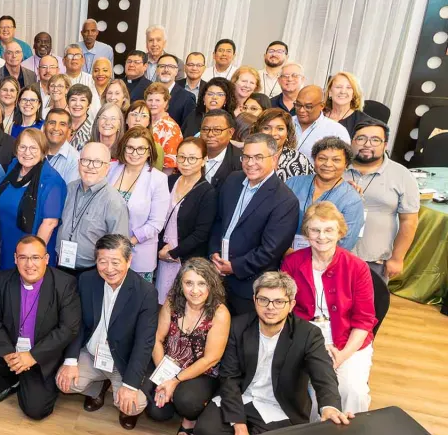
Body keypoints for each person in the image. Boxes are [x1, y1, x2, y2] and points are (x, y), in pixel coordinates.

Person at [196, 271, 351, 435]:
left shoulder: (308, 334)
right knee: (206, 433)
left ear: (291, 304)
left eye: (279, 302)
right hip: (242, 396)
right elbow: (229, 377)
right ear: (254, 300)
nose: (270, 307)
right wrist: (239, 426)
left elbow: (323, 374)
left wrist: (329, 407)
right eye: (263, 300)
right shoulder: (238, 326)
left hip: (277, 404)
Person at [281, 202, 377, 415]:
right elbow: (285, 312)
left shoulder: (357, 267)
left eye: (328, 230)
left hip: (349, 342)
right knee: (315, 394)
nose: (321, 236)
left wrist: (342, 356)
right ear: (306, 233)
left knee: (353, 392)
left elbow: (364, 321)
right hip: (305, 338)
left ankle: (352, 434)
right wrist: (314, 348)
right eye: (315, 230)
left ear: (340, 233)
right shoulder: (292, 263)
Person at [56, 234, 158, 427]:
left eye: (115, 262)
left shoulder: (145, 292)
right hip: (92, 353)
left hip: (122, 361)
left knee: (133, 405)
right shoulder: (86, 280)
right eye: (102, 262)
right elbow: (77, 324)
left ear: (129, 260)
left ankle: (117, 386)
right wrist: (70, 361)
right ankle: (98, 387)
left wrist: (130, 385)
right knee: (64, 382)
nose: (109, 269)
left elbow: (144, 343)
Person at [0, 236, 81, 419]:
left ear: (46, 259)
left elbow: (68, 329)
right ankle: (10, 383)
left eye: (35, 257)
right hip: (12, 351)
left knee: (36, 410)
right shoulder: (3, 279)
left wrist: (32, 356)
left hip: (41, 356)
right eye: (23, 257)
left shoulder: (65, 283)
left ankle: (28, 382)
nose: (29, 264)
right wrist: (8, 353)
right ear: (15, 259)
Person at [208, 134, 299, 316]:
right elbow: (218, 220)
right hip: (217, 278)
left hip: (249, 287)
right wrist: (213, 252)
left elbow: (270, 250)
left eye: (258, 157)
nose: (250, 163)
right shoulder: (233, 180)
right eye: (246, 157)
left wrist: (235, 267)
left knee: (242, 332)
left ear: (274, 159)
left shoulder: (285, 200)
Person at [147, 258, 231, 435]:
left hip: (201, 372)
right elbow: (157, 339)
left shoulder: (220, 313)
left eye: (201, 283)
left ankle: (190, 418)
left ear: (211, 284)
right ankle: (174, 397)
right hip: (169, 364)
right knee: (157, 412)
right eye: (189, 283)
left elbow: (211, 359)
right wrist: (164, 377)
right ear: (180, 284)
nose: (195, 290)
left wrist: (175, 381)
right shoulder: (172, 302)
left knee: (187, 402)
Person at [347, 118, 420, 281]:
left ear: (385, 145)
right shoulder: (336, 168)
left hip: (375, 260)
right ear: (352, 141)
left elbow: (409, 221)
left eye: (375, 140)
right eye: (361, 138)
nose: (367, 144)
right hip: (332, 254)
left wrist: (397, 259)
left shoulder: (402, 175)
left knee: (372, 298)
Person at [0, 129, 67, 269]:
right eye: (23, 147)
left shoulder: (52, 180)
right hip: (2, 243)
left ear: (43, 150)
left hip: (28, 251)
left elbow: (49, 223)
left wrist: (32, 257)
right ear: (16, 149)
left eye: (33, 148)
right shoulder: (13, 167)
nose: (27, 152)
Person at [156, 137, 217, 301]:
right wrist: (161, 248)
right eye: (181, 157)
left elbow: (201, 233)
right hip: (162, 254)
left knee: (181, 302)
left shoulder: (207, 192)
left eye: (192, 158)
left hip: (185, 259)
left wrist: (173, 253)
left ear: (204, 160)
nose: (186, 163)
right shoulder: (169, 181)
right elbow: (157, 217)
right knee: (160, 301)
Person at [56, 142, 130, 275]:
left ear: (107, 168)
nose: (90, 166)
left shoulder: (114, 201)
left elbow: (119, 247)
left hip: (92, 272)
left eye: (97, 162)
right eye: (85, 160)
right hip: (60, 267)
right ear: (79, 163)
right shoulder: (69, 189)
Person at [107, 127, 169, 282]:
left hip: (138, 256)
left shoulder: (158, 179)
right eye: (130, 147)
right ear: (123, 148)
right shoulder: (110, 169)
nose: (135, 153)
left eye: (141, 148)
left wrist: (126, 244)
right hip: (106, 251)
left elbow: (155, 224)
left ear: (149, 151)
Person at [286, 137, 365, 251]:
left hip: (325, 259)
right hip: (285, 254)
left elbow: (346, 242)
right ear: (314, 160)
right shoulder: (293, 183)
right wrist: (286, 251)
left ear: (346, 164)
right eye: (322, 158)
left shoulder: (351, 199)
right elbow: (275, 221)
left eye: (336, 160)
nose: (328, 164)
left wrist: (308, 258)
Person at [293, 85, 350, 163]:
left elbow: (342, 162)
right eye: (298, 105)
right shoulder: (285, 123)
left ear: (321, 106)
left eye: (308, 107)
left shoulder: (337, 131)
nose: (301, 110)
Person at [254, 108, 314, 181]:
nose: (273, 133)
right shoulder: (247, 155)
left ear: (287, 133)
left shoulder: (299, 160)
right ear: (258, 131)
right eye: (266, 128)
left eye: (280, 129)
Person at [144, 82, 182, 170]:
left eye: (157, 100)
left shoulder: (171, 128)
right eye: (150, 100)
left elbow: (170, 167)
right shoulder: (143, 121)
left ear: (165, 103)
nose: (153, 104)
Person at [200, 110, 241, 186]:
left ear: (230, 132)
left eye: (217, 130)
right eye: (205, 129)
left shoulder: (240, 161)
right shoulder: (191, 154)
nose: (210, 134)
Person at [154, 53, 196, 128]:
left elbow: (188, 128)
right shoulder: (148, 94)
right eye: (162, 66)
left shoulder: (187, 98)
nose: (166, 70)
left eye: (170, 66)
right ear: (157, 70)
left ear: (176, 71)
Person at [324, 71, 371, 136]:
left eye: (348, 88)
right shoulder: (318, 115)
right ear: (330, 92)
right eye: (338, 87)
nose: (343, 91)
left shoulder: (363, 122)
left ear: (354, 94)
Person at [43, 108, 80, 184]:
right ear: (44, 127)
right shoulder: (33, 150)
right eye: (52, 123)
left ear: (69, 131)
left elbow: (69, 190)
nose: (56, 128)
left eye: (62, 124)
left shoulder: (75, 160)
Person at [66, 84, 95, 150]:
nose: (77, 104)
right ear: (67, 103)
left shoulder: (94, 130)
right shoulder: (60, 125)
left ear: (89, 105)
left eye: (82, 100)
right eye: (73, 99)